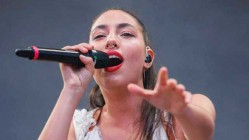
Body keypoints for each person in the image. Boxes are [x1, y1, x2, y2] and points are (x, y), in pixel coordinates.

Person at [38, 8, 216, 140]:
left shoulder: (186, 109)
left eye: (126, 33)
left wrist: (182, 110)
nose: (111, 40)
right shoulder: (78, 128)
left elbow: (203, 132)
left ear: (147, 57)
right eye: (99, 36)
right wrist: (72, 88)